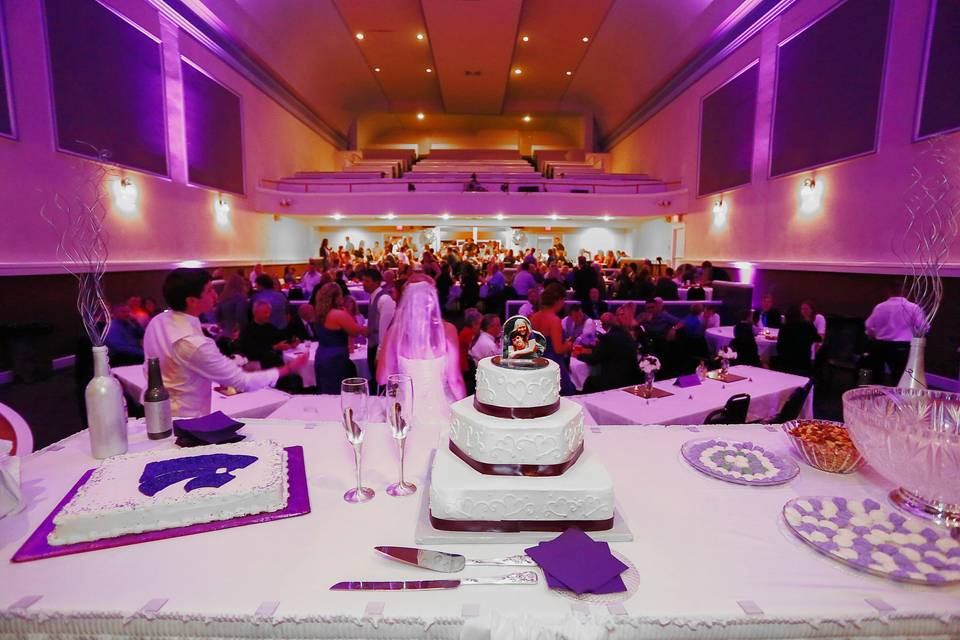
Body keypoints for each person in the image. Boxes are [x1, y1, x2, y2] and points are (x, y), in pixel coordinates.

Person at [143, 268, 306, 417]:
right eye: (209, 291)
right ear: (191, 300)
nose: (215, 295)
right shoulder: (194, 343)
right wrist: (288, 368)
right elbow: (243, 382)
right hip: (186, 417)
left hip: (156, 411)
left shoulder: (158, 321)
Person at [377, 274, 466, 426]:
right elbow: (454, 380)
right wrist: (465, 411)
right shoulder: (448, 330)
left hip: (405, 413)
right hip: (440, 412)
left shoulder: (394, 332)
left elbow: (382, 378)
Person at [864, 288, 926, 384]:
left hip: (880, 345)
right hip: (902, 347)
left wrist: (873, 335)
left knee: (877, 375)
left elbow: (869, 326)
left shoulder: (880, 307)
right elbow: (923, 327)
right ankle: (896, 397)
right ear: (905, 292)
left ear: (889, 292)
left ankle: (877, 396)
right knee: (899, 376)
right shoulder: (913, 307)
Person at [313, 282, 366, 394]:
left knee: (325, 391)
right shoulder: (338, 314)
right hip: (336, 359)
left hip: (321, 355)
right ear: (336, 297)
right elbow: (355, 332)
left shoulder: (318, 314)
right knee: (337, 392)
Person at [575, 313, 642, 393]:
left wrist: (578, 356)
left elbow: (594, 359)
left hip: (614, 381)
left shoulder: (608, 338)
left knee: (589, 381)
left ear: (602, 325)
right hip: (630, 378)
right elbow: (610, 351)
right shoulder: (626, 334)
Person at [531, 284, 575, 395]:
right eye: (563, 300)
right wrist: (569, 344)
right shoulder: (554, 320)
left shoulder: (534, 317)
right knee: (565, 394)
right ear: (558, 300)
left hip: (537, 362)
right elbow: (558, 349)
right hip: (553, 363)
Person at [362, 268, 396, 389]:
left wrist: (379, 354)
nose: (363, 284)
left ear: (377, 282)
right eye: (363, 280)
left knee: (381, 382)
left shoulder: (384, 299)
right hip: (372, 344)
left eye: (367, 281)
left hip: (379, 346)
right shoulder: (373, 297)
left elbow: (385, 329)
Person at [238, 301, 292, 369]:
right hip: (259, 363)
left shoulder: (270, 327)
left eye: (269, 312)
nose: (268, 315)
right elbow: (252, 351)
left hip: (274, 361)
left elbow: (281, 338)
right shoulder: (247, 330)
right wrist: (274, 348)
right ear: (255, 313)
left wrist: (291, 342)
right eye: (265, 312)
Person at [775, 306, 822, 376]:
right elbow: (818, 339)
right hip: (803, 364)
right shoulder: (807, 325)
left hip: (786, 365)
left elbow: (779, 347)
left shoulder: (784, 327)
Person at [215, 274, 249, 339]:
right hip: (236, 333)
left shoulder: (223, 297)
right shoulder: (240, 297)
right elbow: (240, 315)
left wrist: (222, 325)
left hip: (224, 332)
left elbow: (217, 314)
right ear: (240, 284)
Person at [459, 308, 482, 374]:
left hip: (467, 363)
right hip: (465, 366)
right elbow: (475, 348)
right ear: (474, 323)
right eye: (481, 323)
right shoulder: (468, 332)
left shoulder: (468, 330)